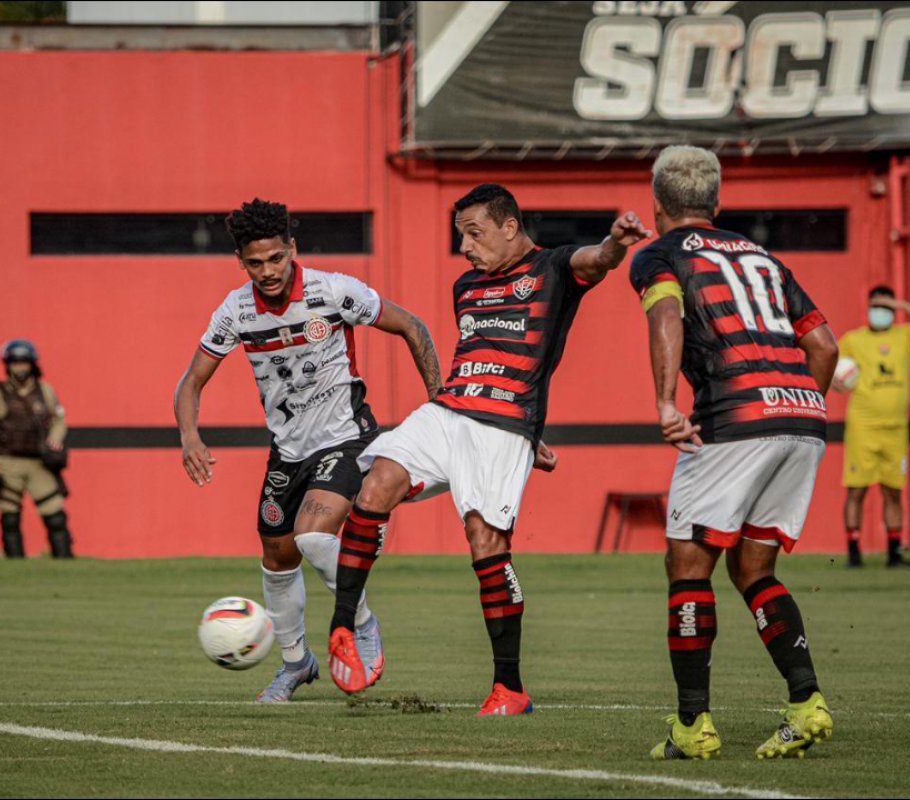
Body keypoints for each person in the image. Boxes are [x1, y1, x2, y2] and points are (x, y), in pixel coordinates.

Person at [325, 183, 650, 716]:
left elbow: (598, 260)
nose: (466, 248)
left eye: (474, 234)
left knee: (484, 541)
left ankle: (510, 688)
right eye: (461, 236)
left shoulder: (552, 269)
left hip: (502, 427)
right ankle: (343, 626)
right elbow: (483, 357)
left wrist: (616, 242)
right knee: (376, 483)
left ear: (509, 227)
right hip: (449, 409)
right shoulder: (467, 287)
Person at [175, 198, 443, 703]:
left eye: (276, 258)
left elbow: (413, 326)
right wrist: (190, 435)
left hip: (347, 437)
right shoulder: (235, 311)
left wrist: (440, 404)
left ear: (292, 249)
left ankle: (361, 622)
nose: (268, 271)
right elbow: (191, 382)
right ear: (240, 262)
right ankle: (296, 663)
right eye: (255, 263)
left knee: (313, 537)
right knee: (277, 559)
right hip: (288, 451)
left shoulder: (333, 291)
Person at [630, 145, 839, 759]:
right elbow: (824, 346)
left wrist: (665, 402)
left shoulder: (660, 254)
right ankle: (806, 703)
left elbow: (667, 316)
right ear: (716, 203)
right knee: (753, 569)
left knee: (688, 566)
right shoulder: (762, 256)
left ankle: (692, 726)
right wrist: (792, 407)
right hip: (802, 413)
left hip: (732, 417)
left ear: (658, 203)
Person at [835, 286, 910, 569]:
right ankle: (853, 554)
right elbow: (831, 364)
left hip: (896, 428)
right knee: (856, 490)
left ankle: (894, 555)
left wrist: (901, 304)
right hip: (863, 427)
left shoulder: (905, 336)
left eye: (885, 306)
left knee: (893, 491)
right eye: (876, 305)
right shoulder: (853, 340)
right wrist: (836, 381)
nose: (880, 311)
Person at [0, 339, 74, 559]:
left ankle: (65, 561)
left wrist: (55, 439)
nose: (20, 367)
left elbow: (59, 420)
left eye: (24, 362)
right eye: (15, 363)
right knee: (10, 516)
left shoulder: (45, 391)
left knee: (55, 514)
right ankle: (15, 564)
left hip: (38, 462)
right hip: (7, 462)